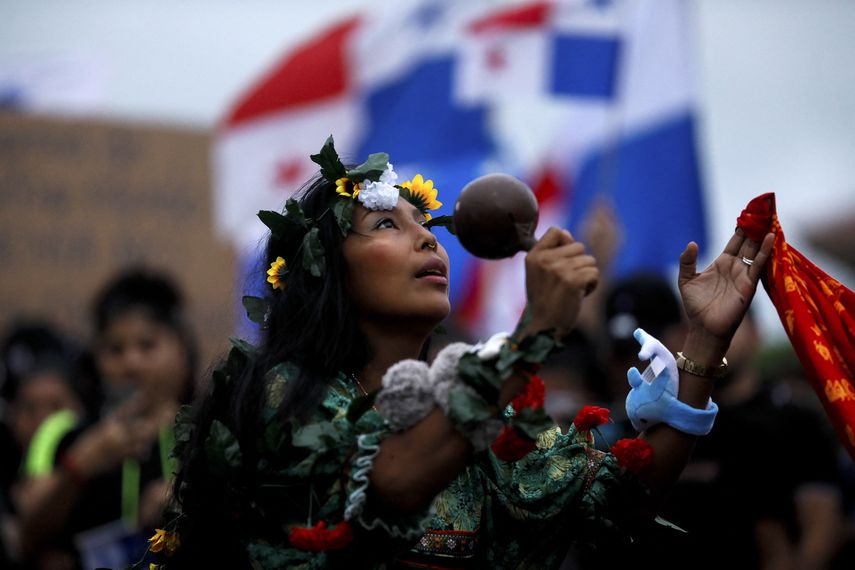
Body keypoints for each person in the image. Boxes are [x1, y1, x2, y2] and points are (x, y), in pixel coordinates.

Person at [162, 137, 775, 569]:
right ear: (325, 274)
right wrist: (535, 332)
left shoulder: (482, 420)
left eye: (424, 221)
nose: (428, 235)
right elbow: (391, 483)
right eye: (385, 225)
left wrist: (703, 342)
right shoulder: (279, 393)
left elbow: (616, 502)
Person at [17, 270, 197, 570]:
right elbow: (27, 538)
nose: (132, 362)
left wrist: (186, 497)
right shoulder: (68, 434)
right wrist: (80, 465)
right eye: (115, 349)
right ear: (96, 358)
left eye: (147, 345)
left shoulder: (209, 433)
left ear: (182, 350)